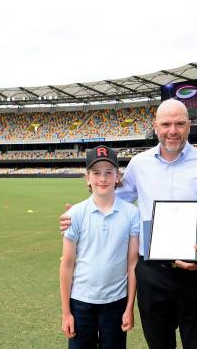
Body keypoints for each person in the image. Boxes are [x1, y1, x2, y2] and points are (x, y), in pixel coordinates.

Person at [61, 99, 197, 349]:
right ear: (155, 126)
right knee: (158, 343)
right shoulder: (140, 164)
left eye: (179, 124)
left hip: (195, 270)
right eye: (166, 124)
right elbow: (112, 196)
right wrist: (78, 212)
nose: (172, 130)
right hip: (152, 273)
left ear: (189, 126)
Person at [59, 145, 139, 349]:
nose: (102, 178)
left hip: (116, 302)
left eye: (108, 172)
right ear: (87, 178)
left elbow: (132, 264)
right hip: (81, 302)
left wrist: (129, 307)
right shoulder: (75, 213)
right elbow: (67, 265)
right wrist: (66, 312)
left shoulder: (131, 213)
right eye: (96, 173)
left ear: (117, 177)